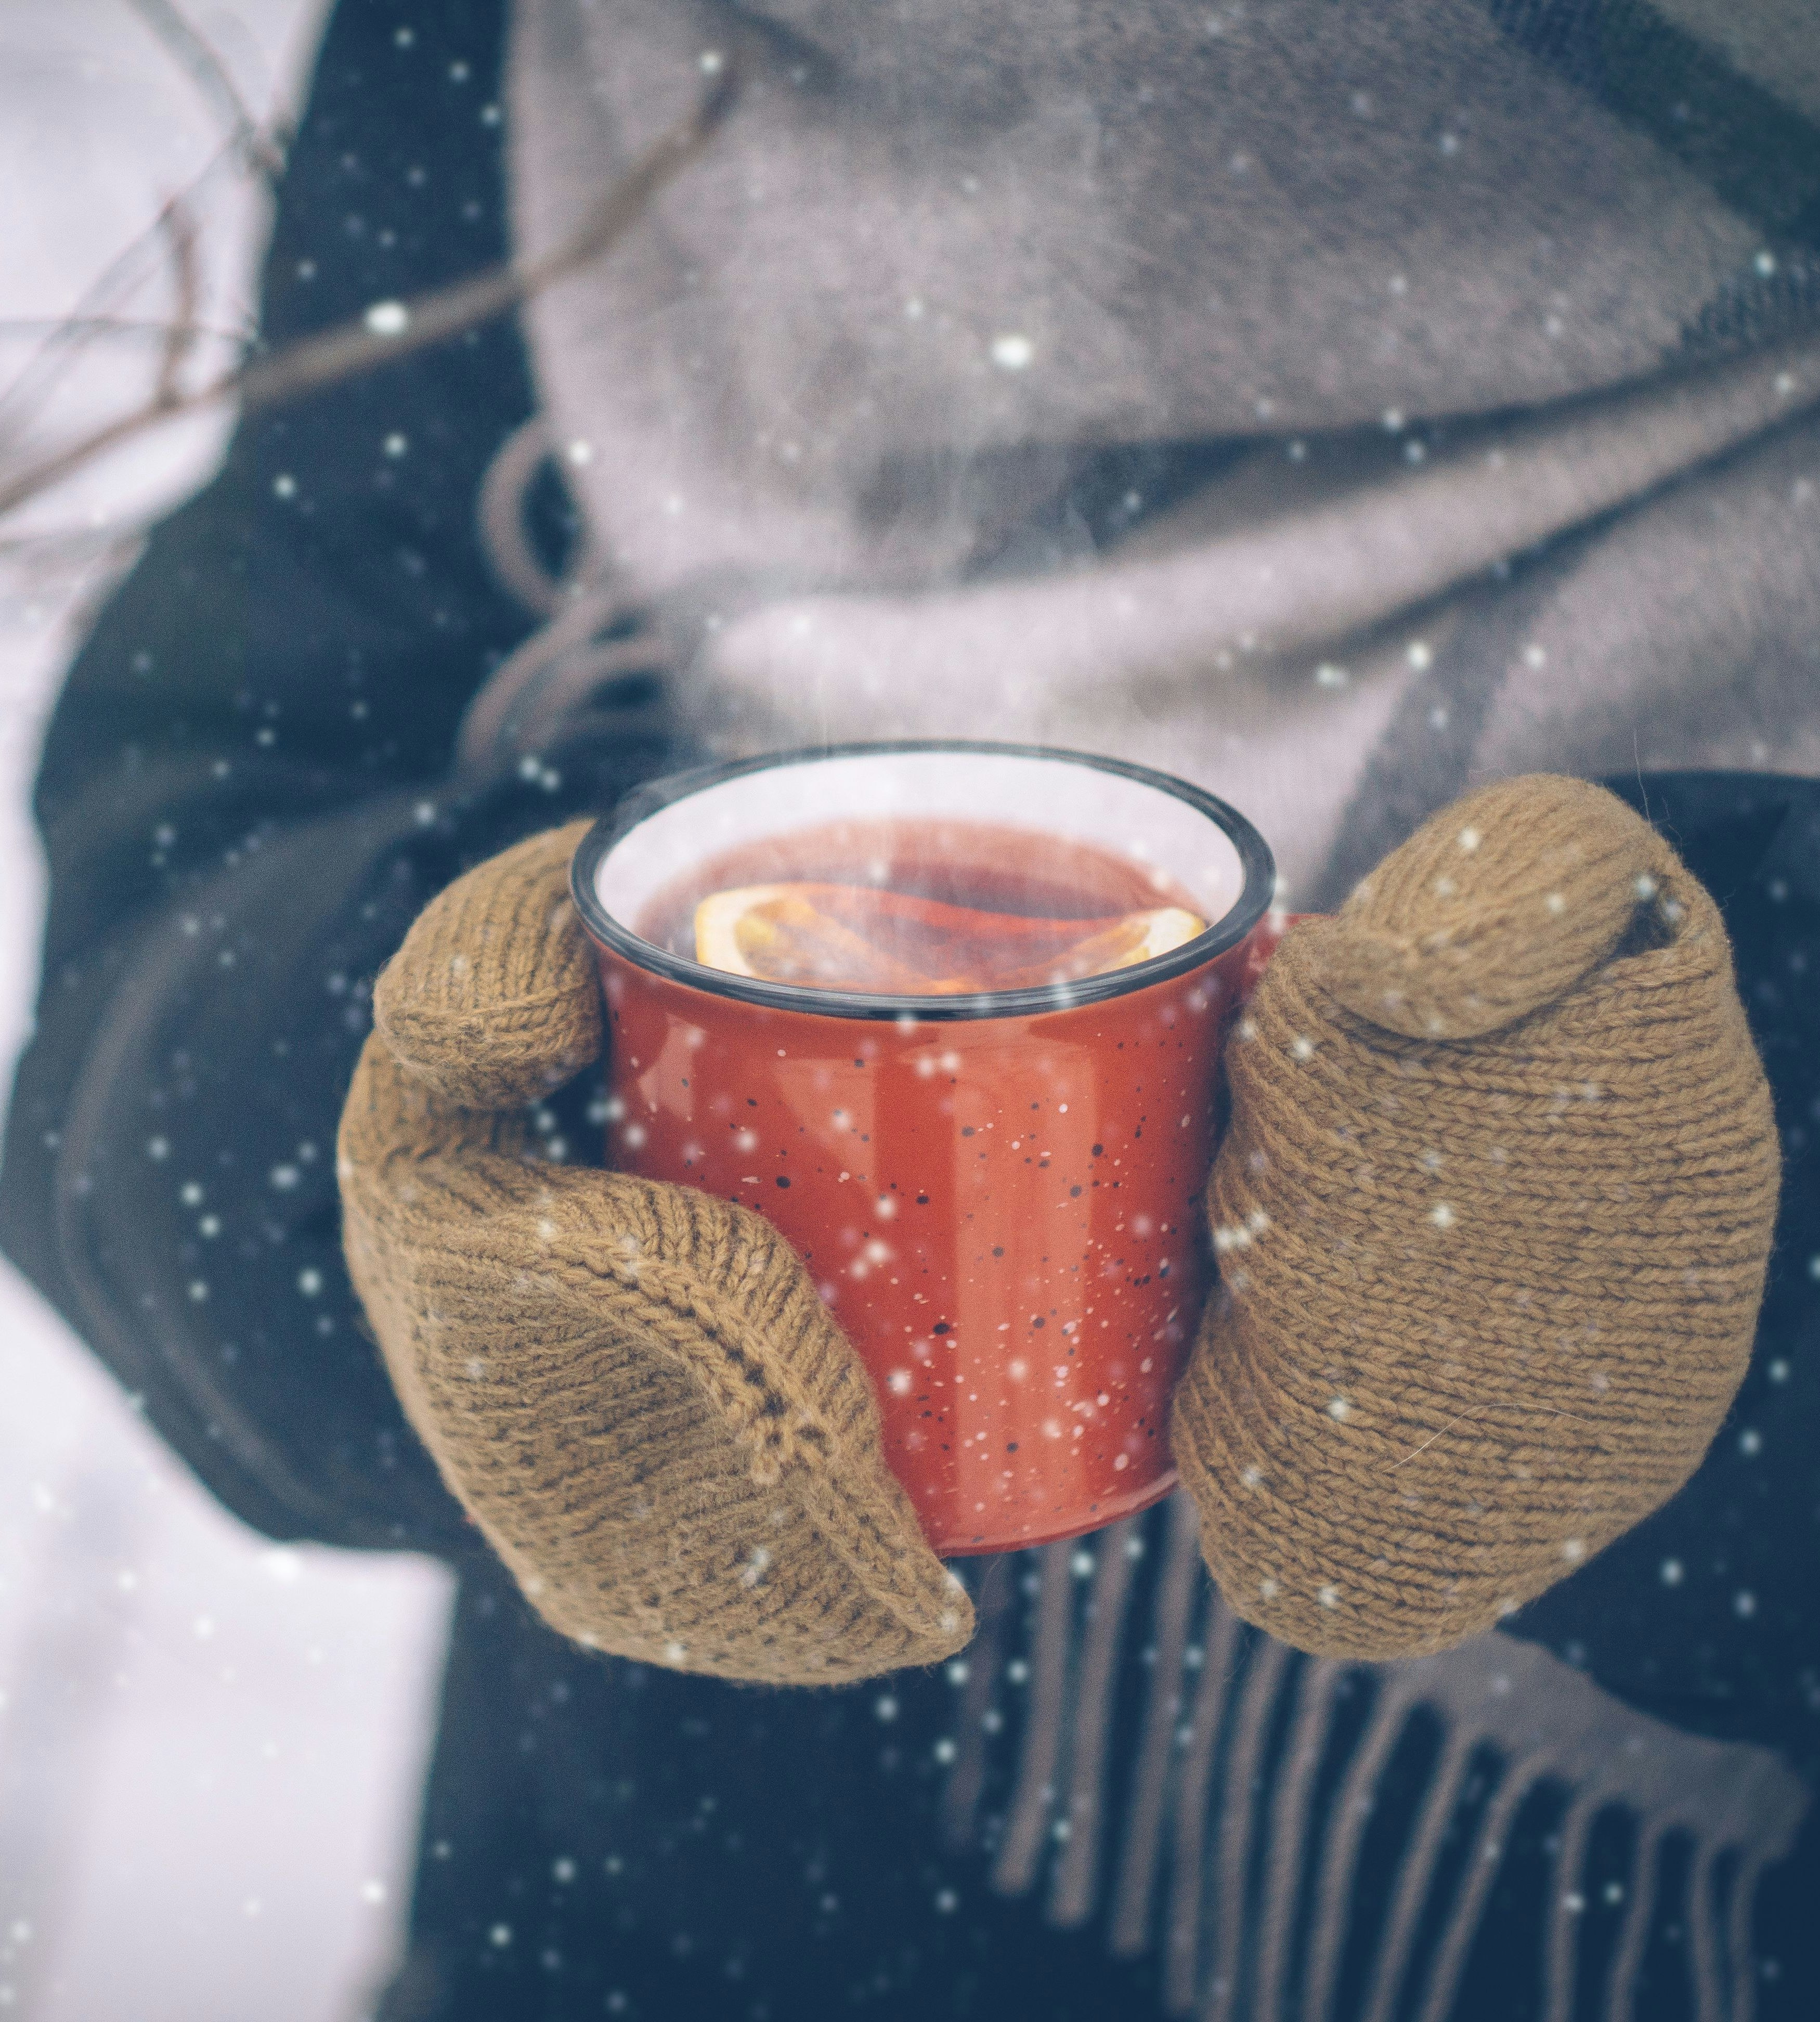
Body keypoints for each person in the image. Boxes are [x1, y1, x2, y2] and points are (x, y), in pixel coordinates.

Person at [2, 3, 1815, 2016]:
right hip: (642, 1918)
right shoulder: (558, 35)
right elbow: (189, 864)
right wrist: (402, 1165)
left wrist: (1732, 1295)